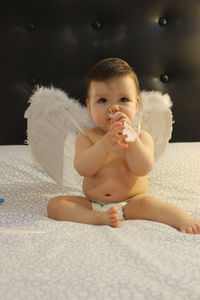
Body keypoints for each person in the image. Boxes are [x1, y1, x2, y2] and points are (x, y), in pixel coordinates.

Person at [47, 57, 200, 234]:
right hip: (93, 204)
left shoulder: (142, 136)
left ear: (136, 104)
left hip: (133, 202)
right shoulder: (86, 136)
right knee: (55, 205)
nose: (114, 108)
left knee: (155, 206)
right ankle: (96, 219)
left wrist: (132, 140)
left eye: (123, 99)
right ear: (89, 106)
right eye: (103, 100)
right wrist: (104, 145)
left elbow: (143, 168)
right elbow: (83, 168)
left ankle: (184, 219)